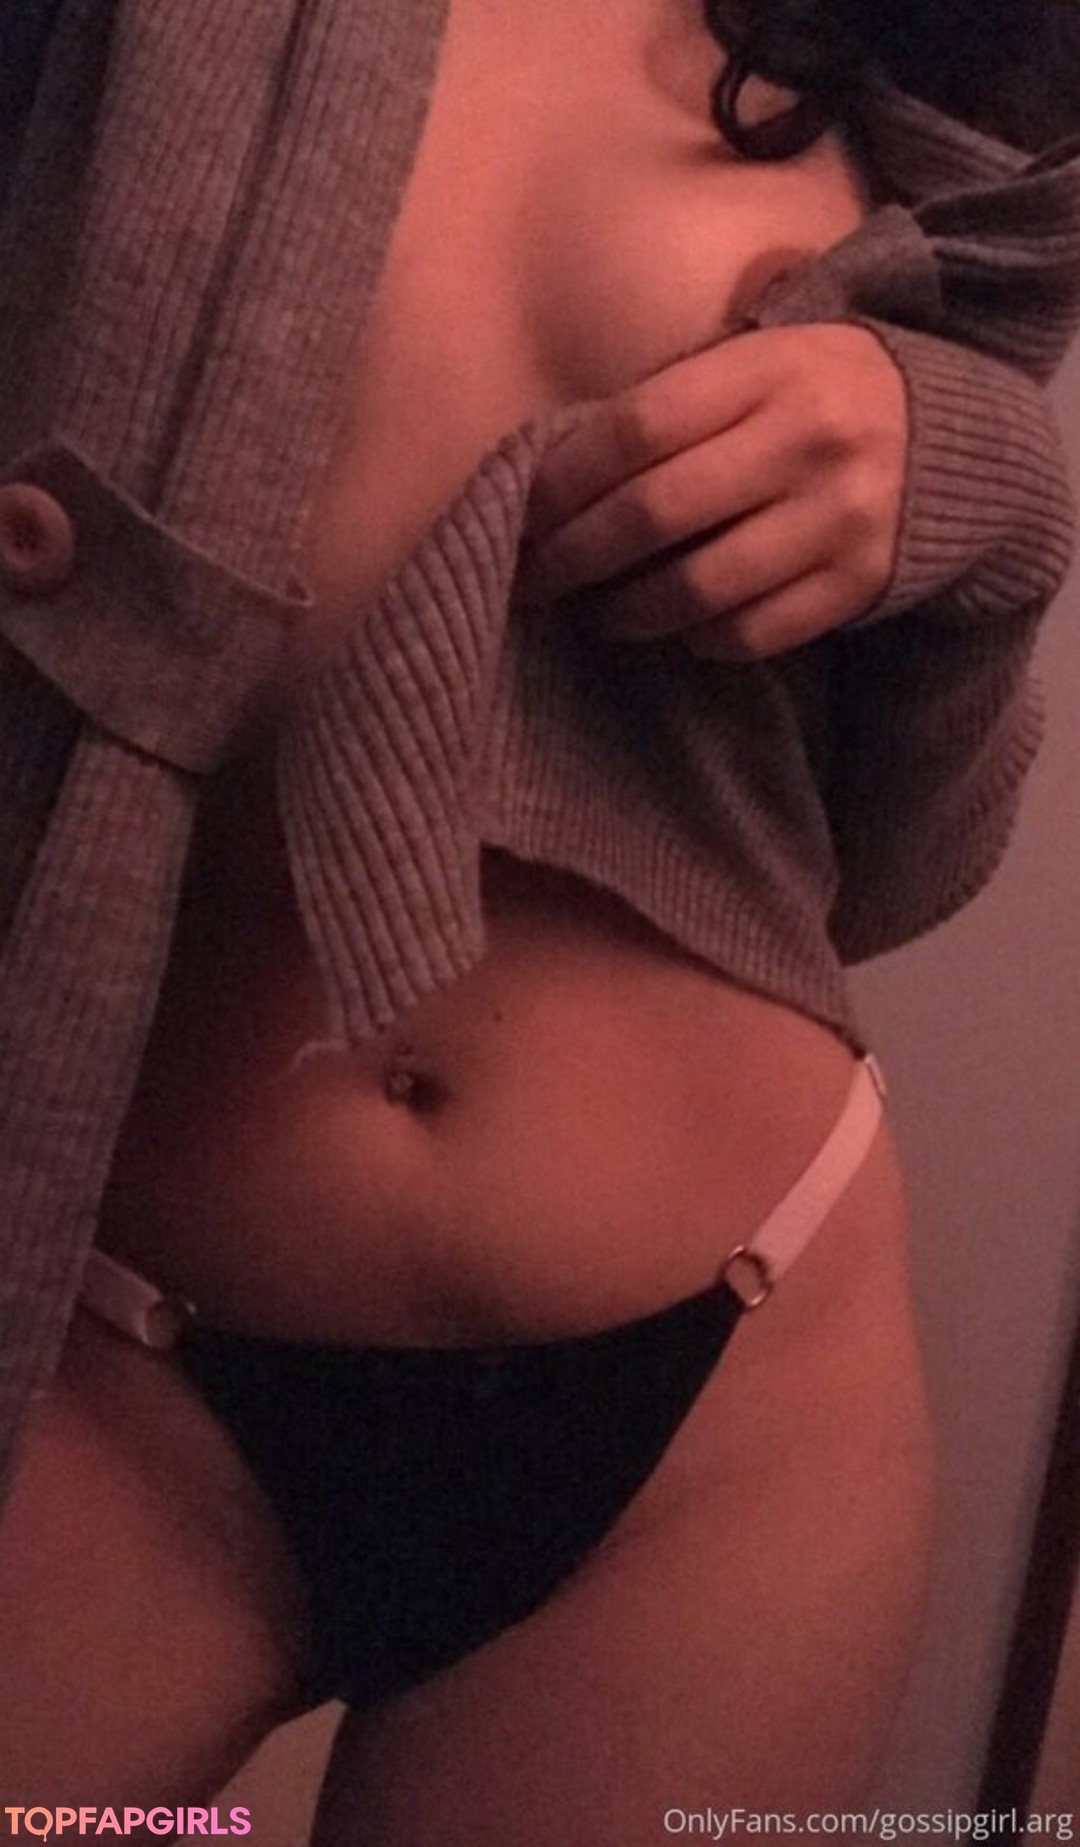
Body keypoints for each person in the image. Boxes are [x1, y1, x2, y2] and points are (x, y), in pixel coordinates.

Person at [1, 0, 1079, 1830]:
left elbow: (888, 867)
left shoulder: (932, 55)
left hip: (727, 1397)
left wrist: (967, 481)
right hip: (124, 1362)